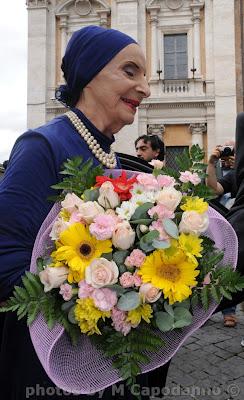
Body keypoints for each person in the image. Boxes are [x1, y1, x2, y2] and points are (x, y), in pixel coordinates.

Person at [0, 26, 171, 399]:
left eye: (145, 75)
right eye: (130, 71)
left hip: (109, 358)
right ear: (89, 74)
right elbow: (6, 260)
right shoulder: (42, 145)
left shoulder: (112, 156)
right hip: (48, 368)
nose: (145, 88)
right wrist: (97, 294)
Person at [206, 143, 238, 327]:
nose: (230, 155)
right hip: (229, 224)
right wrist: (211, 164)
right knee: (222, 264)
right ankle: (212, 309)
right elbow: (213, 189)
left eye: (233, 150)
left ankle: (230, 310)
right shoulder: (233, 176)